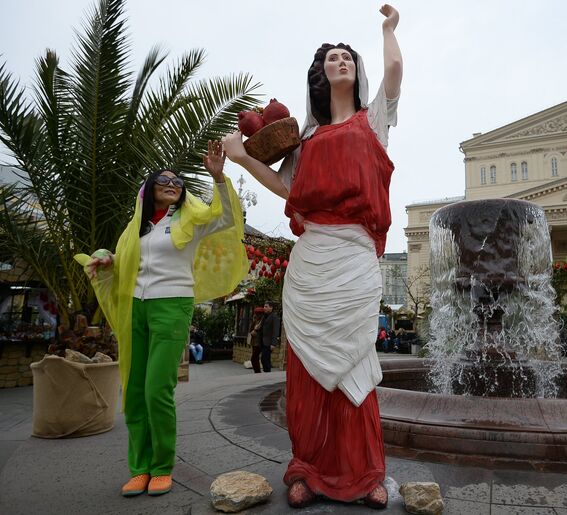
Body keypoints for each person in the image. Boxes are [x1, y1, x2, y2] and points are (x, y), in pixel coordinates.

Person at [222, 4, 402, 509]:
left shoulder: (375, 122)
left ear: (355, 69)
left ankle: (367, 474)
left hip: (353, 257)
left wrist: (387, 31)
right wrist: (241, 157)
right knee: (306, 372)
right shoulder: (304, 140)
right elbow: (285, 186)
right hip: (310, 261)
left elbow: (393, 73)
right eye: (332, 58)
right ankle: (306, 468)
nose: (340, 62)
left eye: (347, 56)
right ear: (320, 74)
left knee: (354, 367)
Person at [75, 140, 248, 498]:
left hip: (173, 305)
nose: (172, 183)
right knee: (135, 391)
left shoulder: (191, 220)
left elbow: (228, 218)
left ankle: (162, 466)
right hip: (135, 307)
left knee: (157, 390)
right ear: (149, 188)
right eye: (163, 179)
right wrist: (106, 257)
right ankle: (139, 468)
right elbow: (123, 257)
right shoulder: (138, 227)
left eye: (177, 180)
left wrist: (218, 178)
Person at [258, 301, 280, 372]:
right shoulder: (264, 316)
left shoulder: (274, 317)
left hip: (268, 342)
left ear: (271, 307)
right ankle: (266, 373)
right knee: (264, 359)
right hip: (262, 341)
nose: (264, 308)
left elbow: (275, 331)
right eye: (264, 306)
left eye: (266, 306)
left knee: (264, 359)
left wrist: (273, 344)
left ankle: (267, 373)